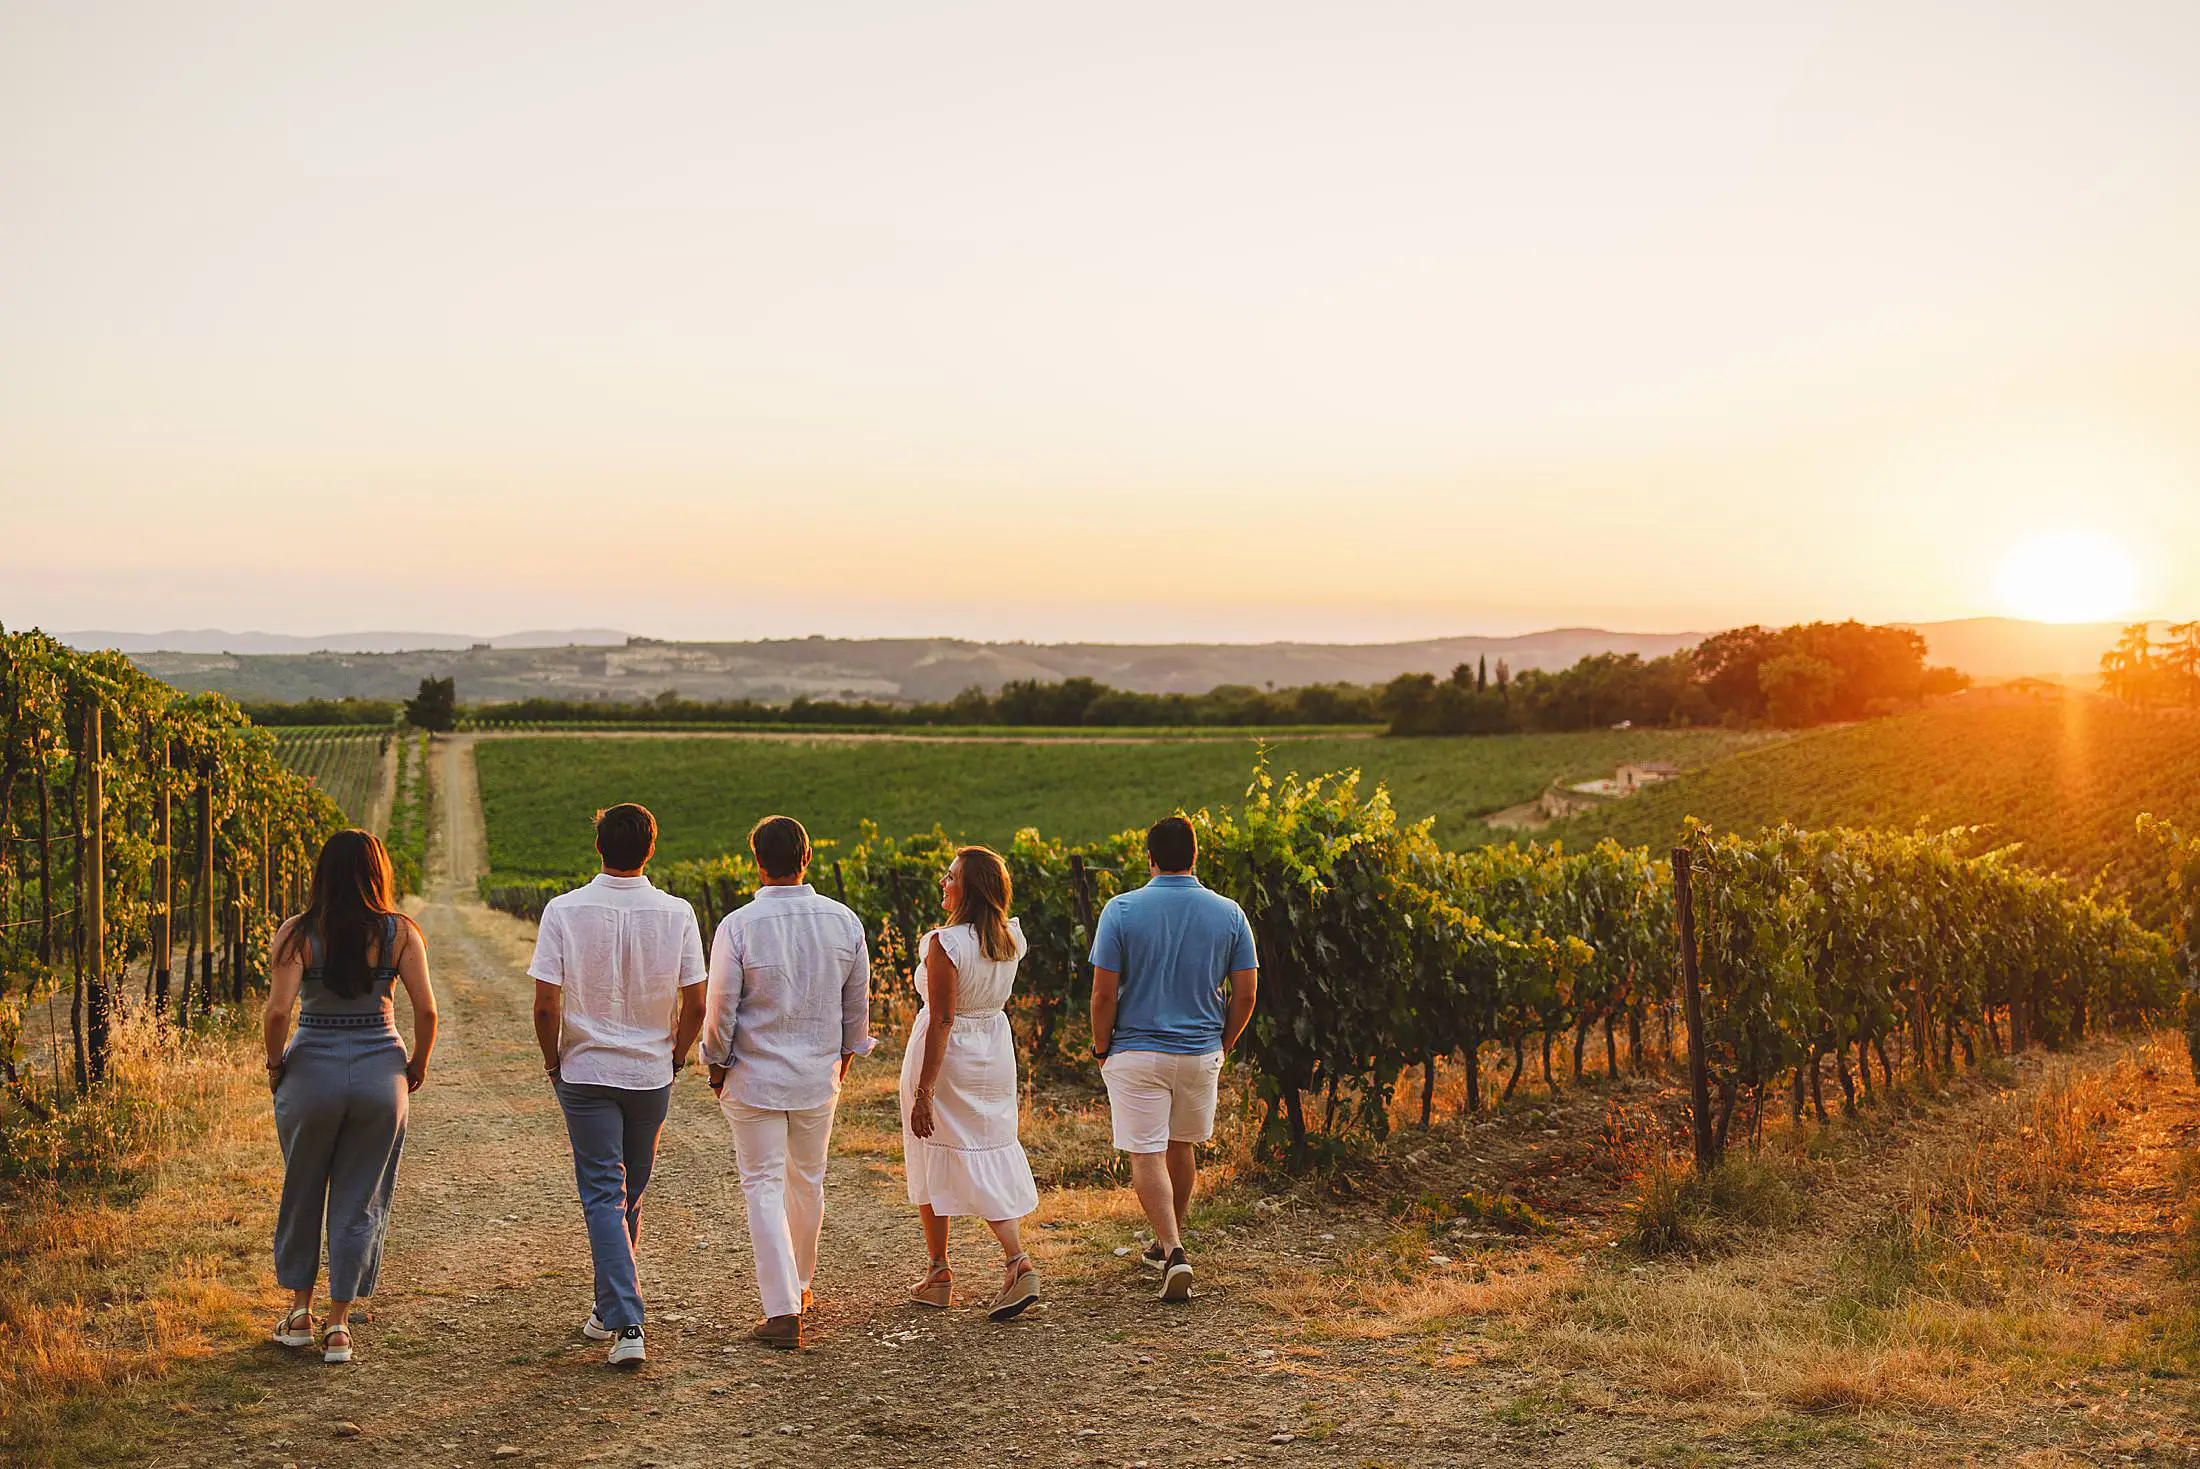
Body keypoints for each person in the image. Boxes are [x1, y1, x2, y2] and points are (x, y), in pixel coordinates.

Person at [528, 803, 706, 1369]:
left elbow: (545, 1002)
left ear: (598, 847)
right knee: (627, 1195)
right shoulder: (678, 913)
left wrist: (553, 1060)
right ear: (650, 849)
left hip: (585, 1071)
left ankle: (626, 1321)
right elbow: (697, 1001)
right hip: (651, 1072)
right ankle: (614, 1310)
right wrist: (676, 1055)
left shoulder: (563, 909)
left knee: (606, 1194)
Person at [263, 829, 439, 1365]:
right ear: (378, 872)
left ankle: (298, 1314)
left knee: (303, 1188)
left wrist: (277, 1067)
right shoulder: (400, 933)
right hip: (379, 1074)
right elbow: (427, 1012)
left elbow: (277, 1013)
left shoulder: (297, 933)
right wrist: (415, 1066)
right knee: (360, 1195)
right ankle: (339, 1325)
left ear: (323, 874)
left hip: (310, 1072)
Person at [703, 815, 872, 1350]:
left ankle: (781, 1310)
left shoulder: (738, 925)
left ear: (757, 861)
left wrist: (715, 1061)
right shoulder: (844, 922)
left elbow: (722, 1006)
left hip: (754, 1077)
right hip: (817, 1077)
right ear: (807, 859)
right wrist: (845, 1056)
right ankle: (800, 1287)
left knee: (763, 1184)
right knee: (809, 1181)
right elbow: (856, 1005)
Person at [1089, 815, 1258, 1304]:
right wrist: (1223, 1044)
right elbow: (1246, 994)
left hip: (1137, 1051)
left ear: (1150, 858)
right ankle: (1168, 1244)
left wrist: (1102, 1048)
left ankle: (1172, 1248)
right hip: (1201, 1050)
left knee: (1145, 1152)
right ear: (1196, 856)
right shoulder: (1229, 913)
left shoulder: (1120, 911)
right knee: (1181, 1148)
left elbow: (1103, 995)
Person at [901, 846, 1042, 1321]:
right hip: (994, 1052)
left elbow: (942, 1018)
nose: (943, 882)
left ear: (971, 888)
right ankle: (976, 1264)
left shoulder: (945, 943)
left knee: (931, 1146)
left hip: (951, 1054)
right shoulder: (1009, 939)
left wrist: (924, 1091)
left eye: (951, 876)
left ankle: (974, 1266)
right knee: (986, 1145)